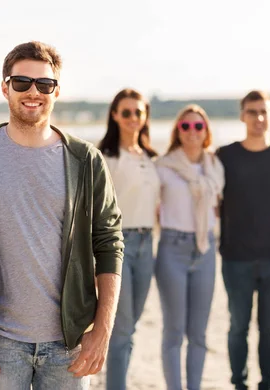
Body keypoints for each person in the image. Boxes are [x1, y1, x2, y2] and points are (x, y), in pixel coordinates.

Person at [0, 41, 124, 390]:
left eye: (44, 84)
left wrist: (103, 329)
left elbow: (109, 242)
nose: (33, 92)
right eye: (22, 82)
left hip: (69, 344)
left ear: (56, 91)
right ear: (5, 87)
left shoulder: (86, 162)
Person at [216, 90, 270, 390]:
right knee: (238, 327)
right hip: (236, 257)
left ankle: (268, 383)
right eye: (252, 111)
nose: (259, 117)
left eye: (264, 111)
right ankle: (239, 383)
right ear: (242, 115)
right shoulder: (225, 155)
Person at [154, 104, 224, 390]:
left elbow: (218, 208)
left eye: (198, 126)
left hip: (205, 249)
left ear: (206, 131)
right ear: (177, 131)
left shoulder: (215, 167)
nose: (192, 132)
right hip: (172, 250)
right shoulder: (163, 165)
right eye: (186, 126)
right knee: (174, 332)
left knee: (199, 334)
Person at [98, 88, 160, 390]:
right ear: (115, 115)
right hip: (118, 246)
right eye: (126, 112)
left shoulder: (152, 157)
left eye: (138, 112)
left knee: (130, 327)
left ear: (145, 116)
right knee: (121, 331)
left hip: (149, 246)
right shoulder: (105, 158)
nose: (133, 118)